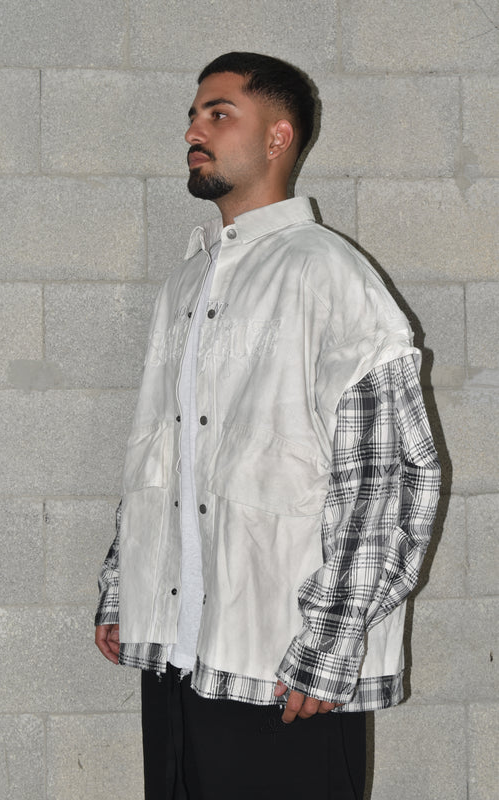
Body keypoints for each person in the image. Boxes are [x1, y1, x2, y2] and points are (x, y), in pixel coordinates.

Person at [95, 52, 441, 799]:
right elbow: (165, 449)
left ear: (279, 138)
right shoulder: (188, 283)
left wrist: (330, 645)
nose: (194, 130)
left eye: (218, 114)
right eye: (193, 115)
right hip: (181, 661)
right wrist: (125, 588)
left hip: (284, 671)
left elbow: (387, 477)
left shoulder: (328, 274)